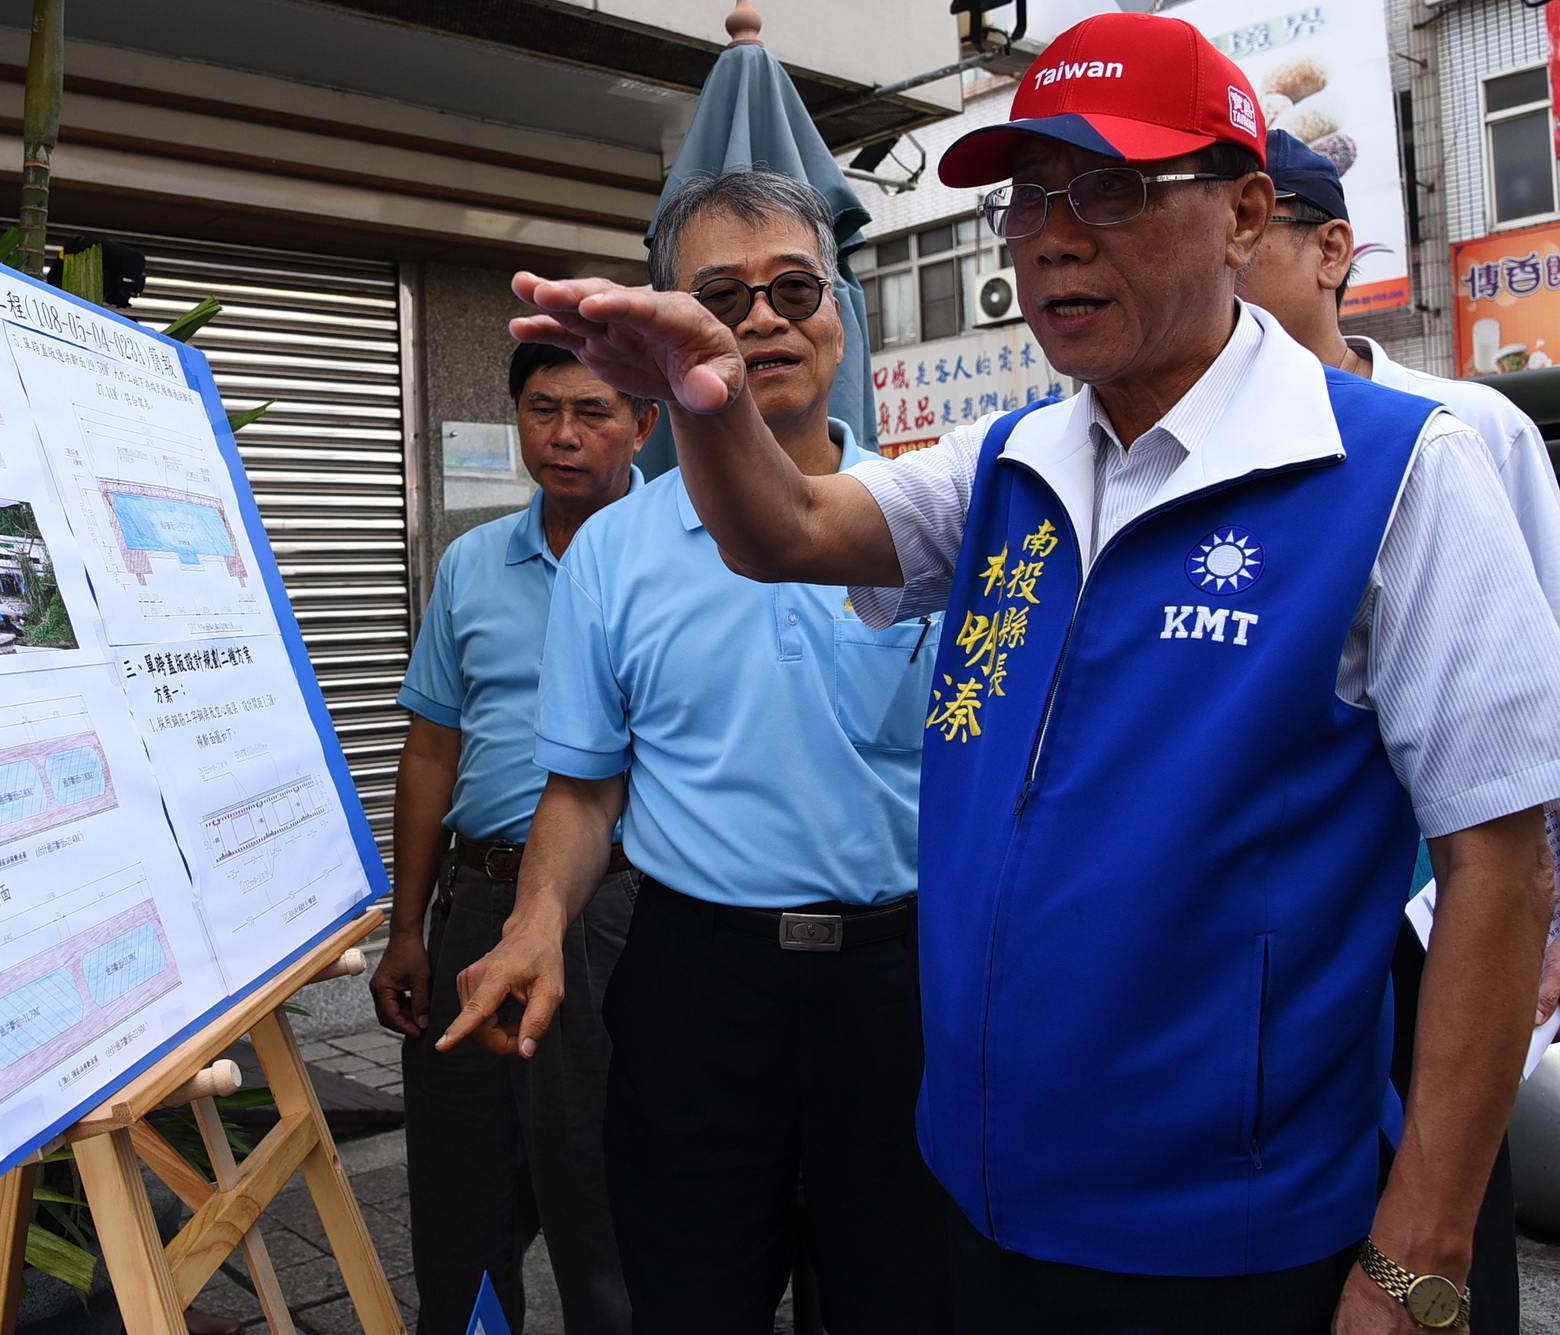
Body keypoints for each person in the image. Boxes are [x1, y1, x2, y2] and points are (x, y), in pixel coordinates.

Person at [493, 13, 1560, 1334]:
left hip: (1230, 1234)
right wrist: (702, 394)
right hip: (981, 1195)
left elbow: (1499, 868)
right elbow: (787, 531)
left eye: (1108, 189)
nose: (1052, 236)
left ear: (1242, 213)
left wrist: (1418, 1256)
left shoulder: (1403, 470)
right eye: (1028, 198)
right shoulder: (1007, 462)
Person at [438, 170, 949, 1334]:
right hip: (694, 987)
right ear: (664, 331)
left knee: (901, 1301)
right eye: (718, 296)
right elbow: (582, 788)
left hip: (901, 987)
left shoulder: (931, 520)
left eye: (791, 289)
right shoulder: (612, 552)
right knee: (687, 1298)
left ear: (839, 313)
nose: (760, 320)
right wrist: (532, 925)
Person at [1237, 128, 1560, 1335]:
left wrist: (1546, 924)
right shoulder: (1201, 446)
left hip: (1440, 909)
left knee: (1442, 1199)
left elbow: (1543, 686)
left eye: (1247, 234)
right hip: (1278, 913)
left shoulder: (1459, 427)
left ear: (1330, 251)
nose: (1218, 267)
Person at [371, 341, 654, 1335]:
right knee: (460, 1193)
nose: (563, 435)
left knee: (600, 1193)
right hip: (476, 902)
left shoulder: (691, 556)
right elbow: (430, 750)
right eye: (541, 409)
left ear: (644, 425)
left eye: (592, 411)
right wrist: (406, 927)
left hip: (615, 909)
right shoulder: (471, 562)